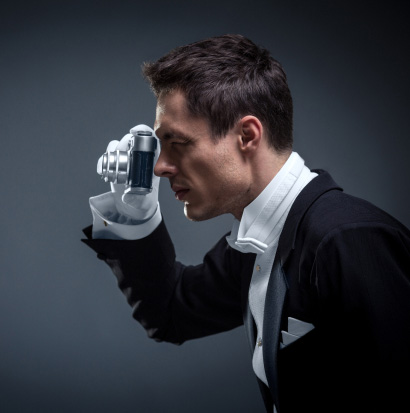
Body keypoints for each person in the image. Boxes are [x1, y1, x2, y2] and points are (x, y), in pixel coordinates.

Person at [82, 34, 410, 412]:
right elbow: (169, 313)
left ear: (247, 135)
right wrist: (136, 211)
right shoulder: (260, 240)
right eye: (161, 146)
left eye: (178, 143)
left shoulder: (349, 239)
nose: (161, 167)